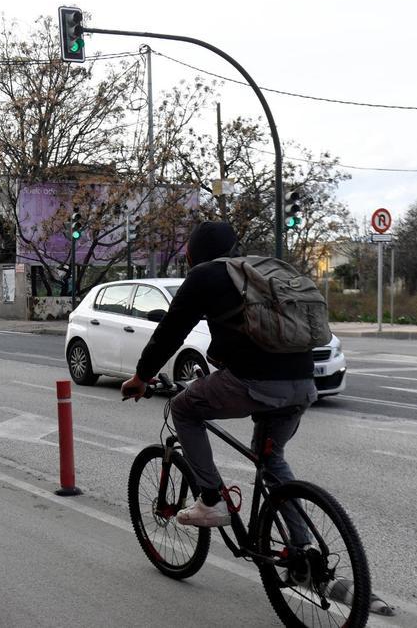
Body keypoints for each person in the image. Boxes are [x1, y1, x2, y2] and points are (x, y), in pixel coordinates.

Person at [120, 222, 317, 528]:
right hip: (303, 382)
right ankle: (305, 556)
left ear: (194, 253)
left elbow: (171, 332)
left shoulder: (205, 274)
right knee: (271, 459)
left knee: (183, 408)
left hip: (254, 382)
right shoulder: (261, 271)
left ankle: (212, 501)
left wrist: (141, 377)